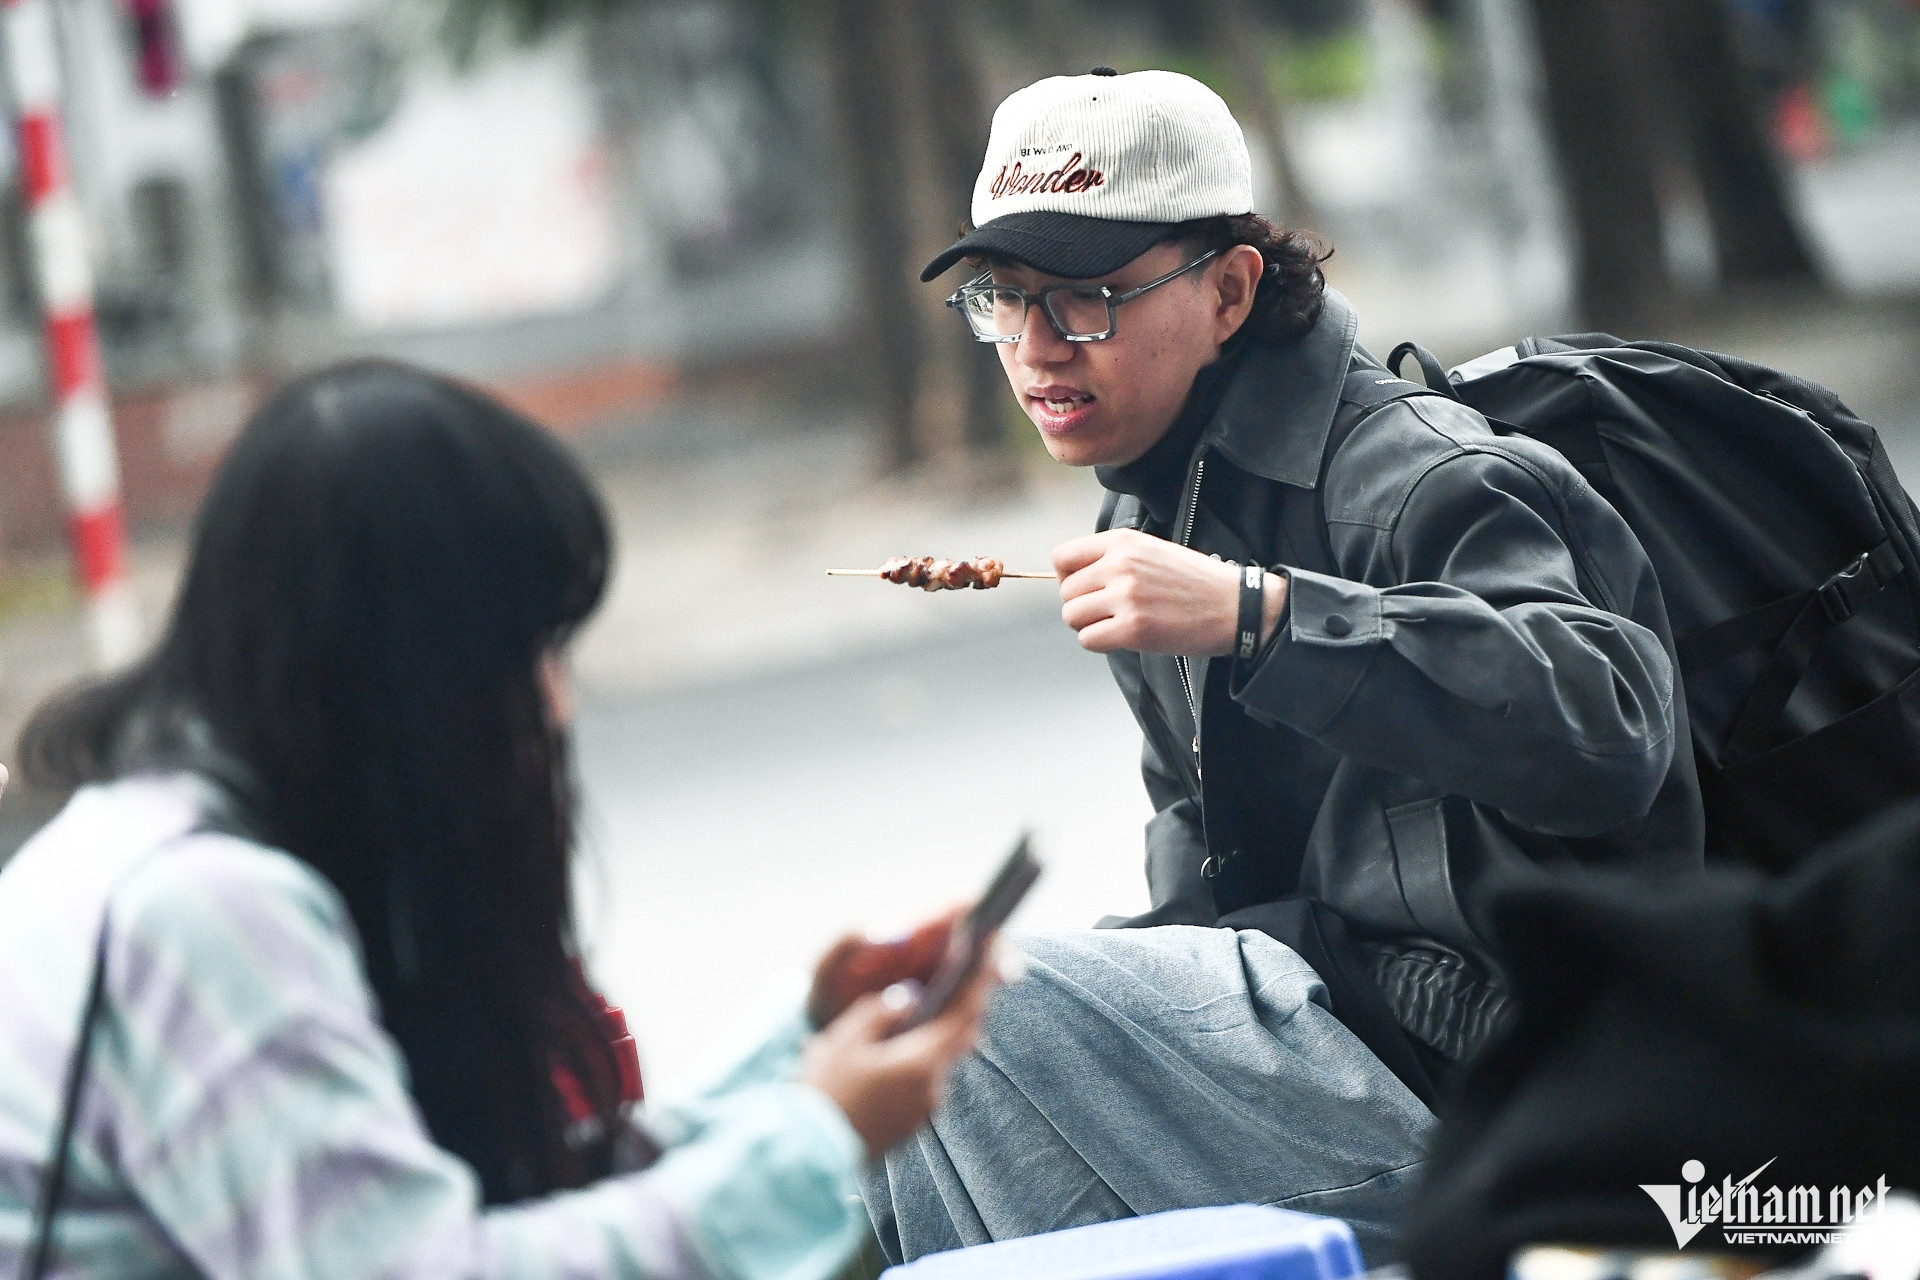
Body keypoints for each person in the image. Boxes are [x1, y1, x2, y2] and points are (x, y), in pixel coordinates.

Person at [862, 67, 1706, 1260]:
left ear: (1230, 290)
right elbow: (1196, 890)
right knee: (909, 1049)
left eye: (1087, 298)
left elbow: (1611, 731)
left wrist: (1263, 614)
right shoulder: (1142, 516)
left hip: (1520, 1076)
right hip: (1325, 1029)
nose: (1037, 347)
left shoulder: (1422, 471)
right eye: (1004, 297)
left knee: (989, 1024)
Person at [0, 360, 995, 1280]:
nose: (555, 705)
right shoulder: (201, 909)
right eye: (529, 652)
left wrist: (804, 1053)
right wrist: (818, 1138)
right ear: (407, 666)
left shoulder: (190, 843)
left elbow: (486, 1204)